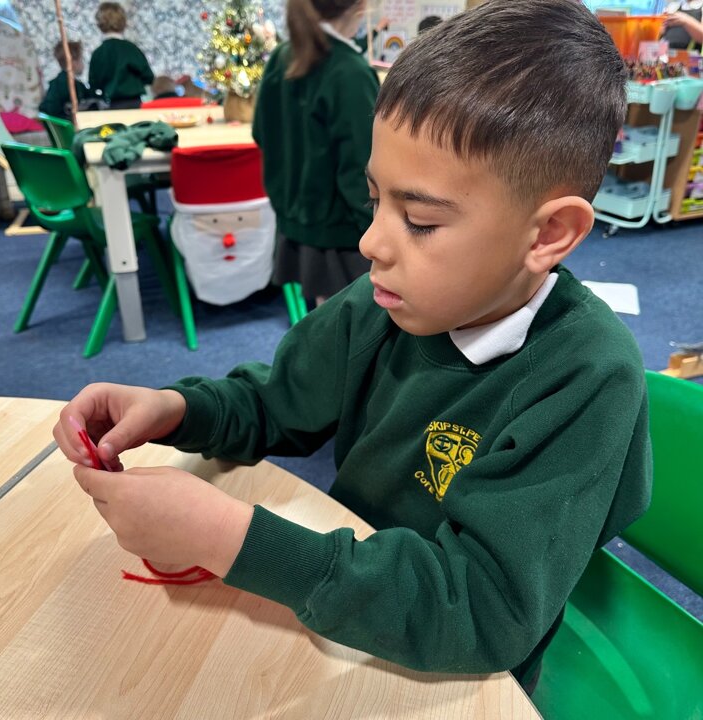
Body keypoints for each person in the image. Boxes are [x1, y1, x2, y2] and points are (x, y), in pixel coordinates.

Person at [53, 0, 651, 694]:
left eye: (419, 221)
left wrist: (227, 538)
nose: (370, 242)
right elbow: (274, 403)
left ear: (548, 235)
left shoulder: (587, 375)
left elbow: (483, 614)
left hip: (452, 678)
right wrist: (176, 409)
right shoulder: (383, 302)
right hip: (344, 609)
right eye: (375, 201)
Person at [253, 0, 380, 306]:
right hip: (346, 231)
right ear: (361, 7)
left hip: (299, 219)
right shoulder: (349, 72)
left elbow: (261, 131)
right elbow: (363, 166)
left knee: (326, 317)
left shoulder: (283, 56)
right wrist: (381, 230)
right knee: (354, 323)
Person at [89, 2, 154, 109]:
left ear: (100, 24)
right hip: (135, 103)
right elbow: (148, 77)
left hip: (111, 105)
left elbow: (94, 84)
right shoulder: (131, 49)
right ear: (123, 22)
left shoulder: (98, 53)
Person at [39, 41, 91, 119]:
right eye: (81, 59)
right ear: (73, 62)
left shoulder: (57, 83)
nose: (82, 63)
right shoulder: (71, 85)